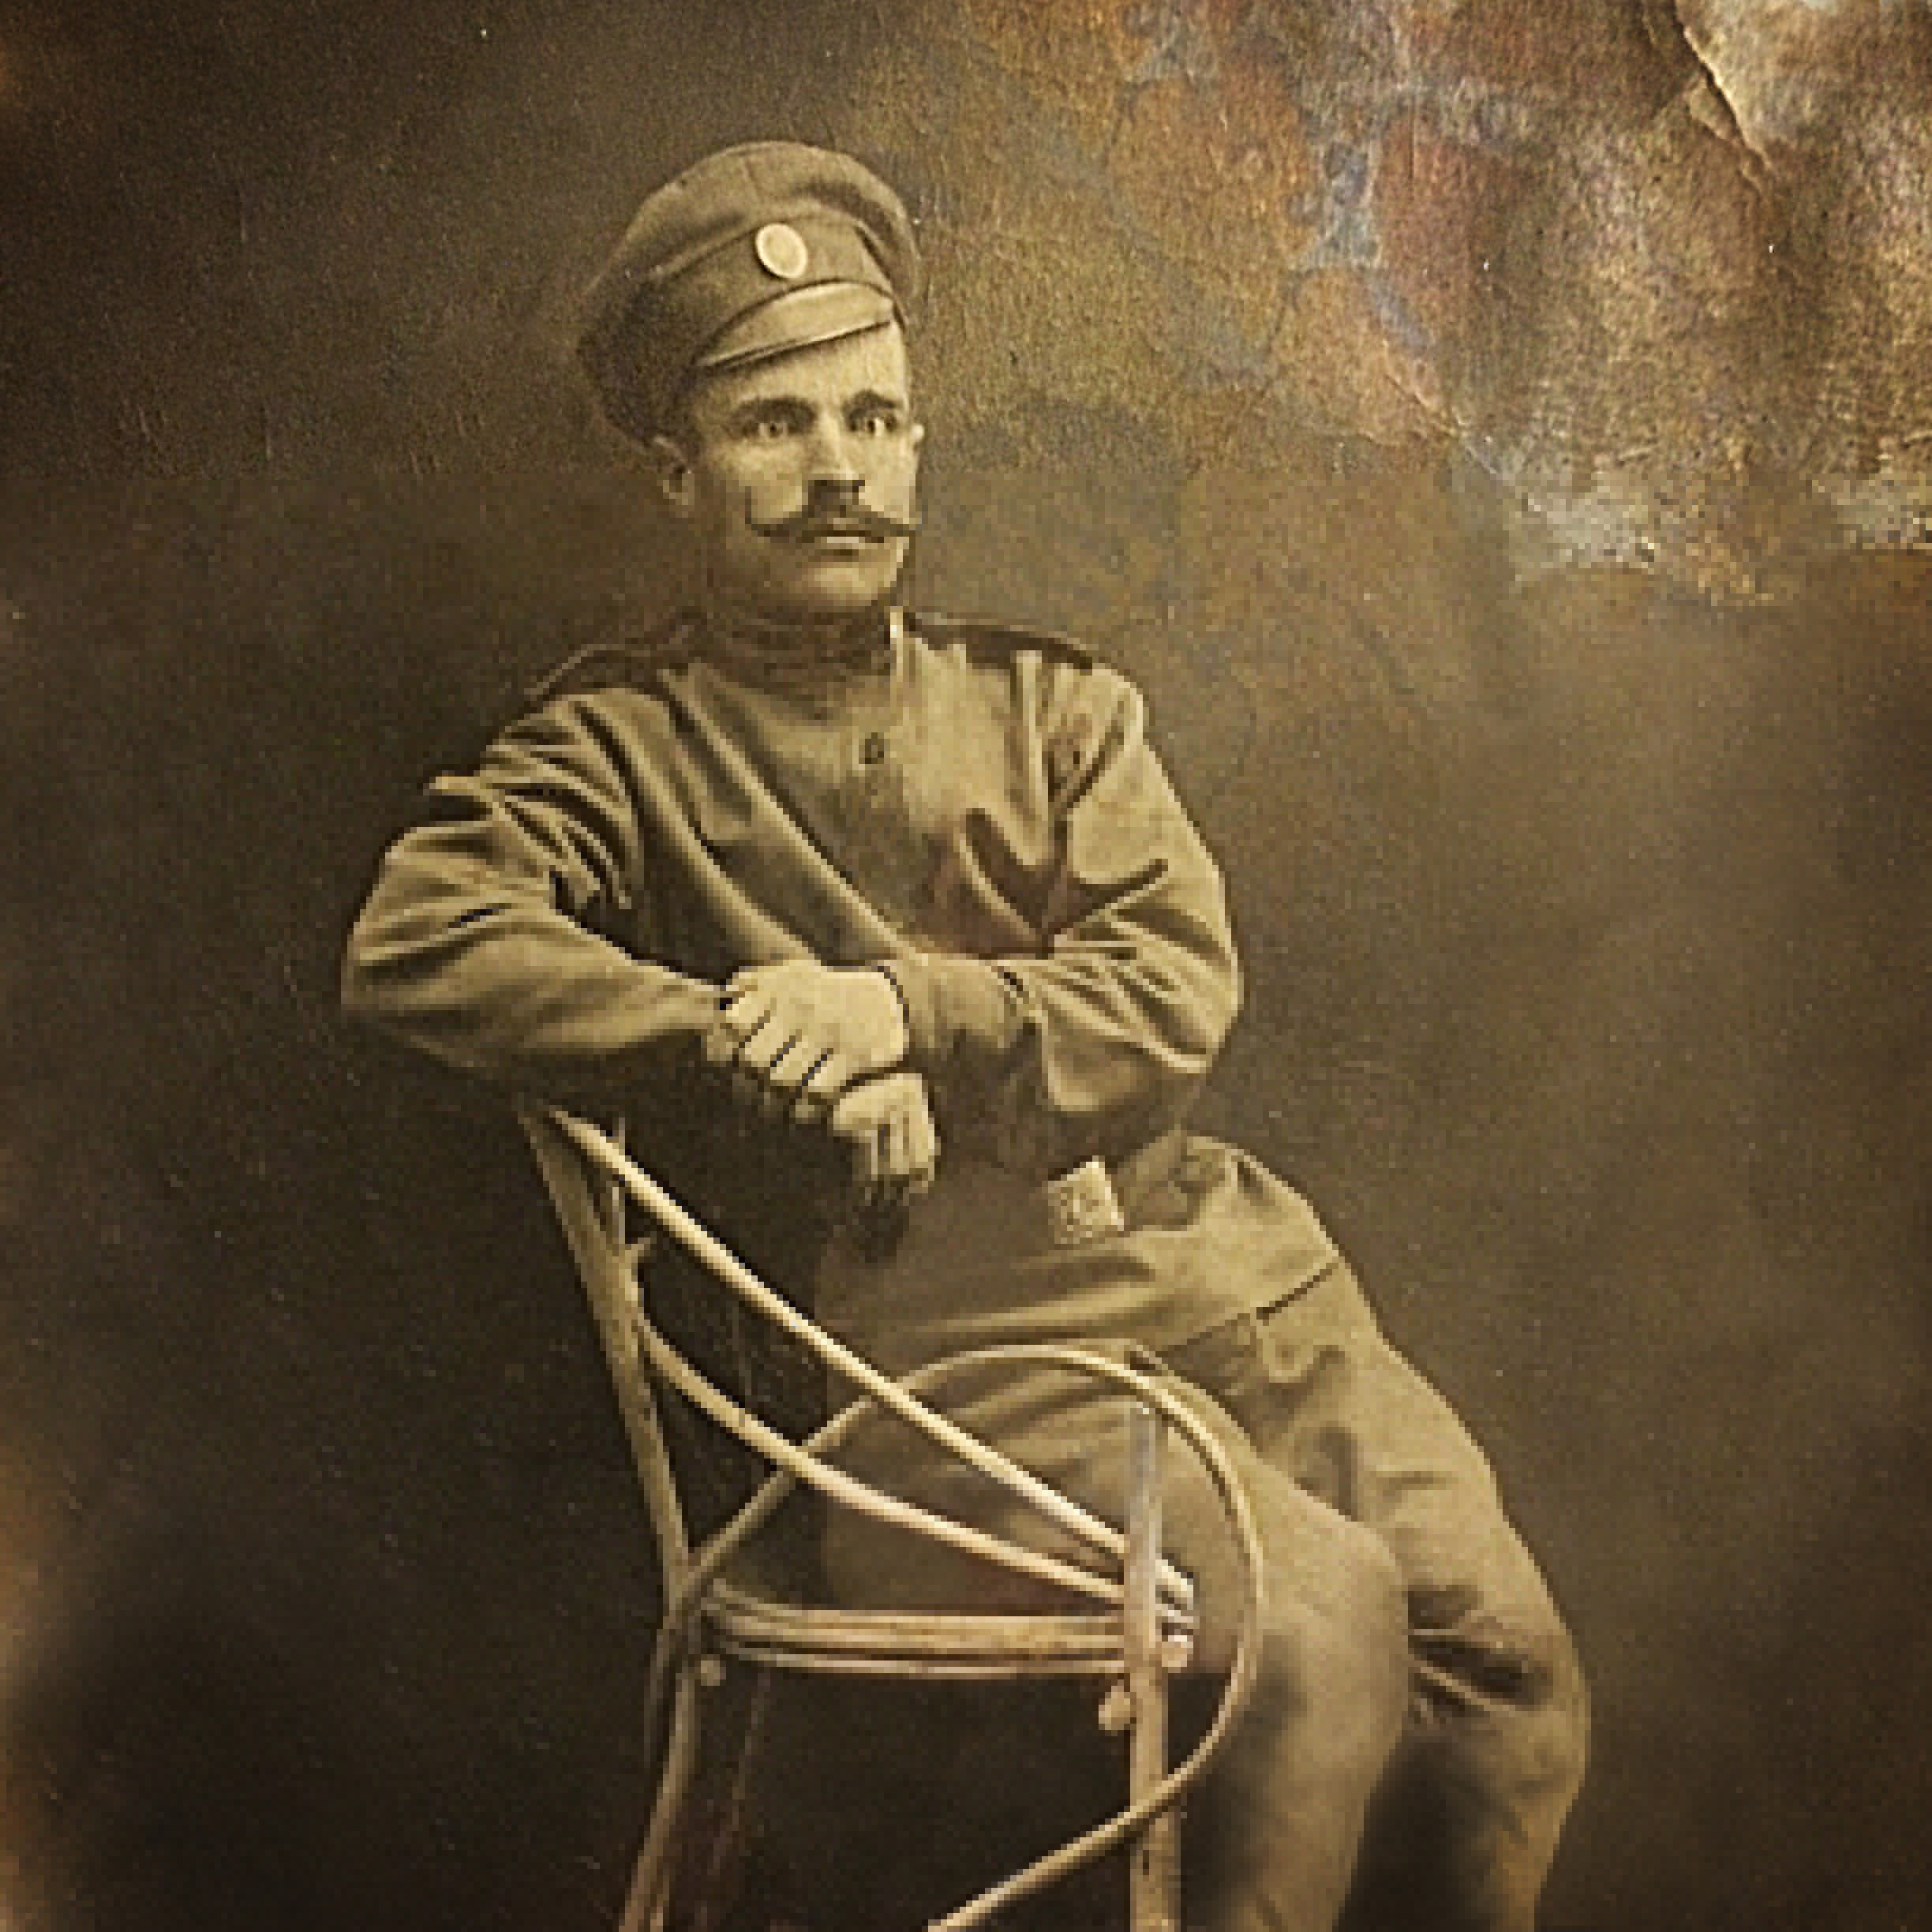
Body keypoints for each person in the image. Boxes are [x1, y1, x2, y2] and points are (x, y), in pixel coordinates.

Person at [342, 141, 1586, 1932]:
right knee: (1314, 1642)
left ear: (920, 442)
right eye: (775, 426)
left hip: (1237, 1288)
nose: (837, 469)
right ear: (681, 471)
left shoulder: (1057, 711)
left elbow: (1173, 986)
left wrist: (898, 1013)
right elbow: (418, 940)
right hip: (952, 1368)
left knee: (1511, 1680)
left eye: (872, 417)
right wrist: (732, 1035)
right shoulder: (621, 747)